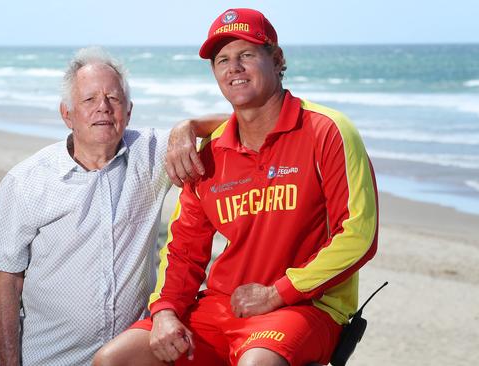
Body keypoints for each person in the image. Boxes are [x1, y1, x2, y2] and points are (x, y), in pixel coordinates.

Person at [94, 8, 379, 366]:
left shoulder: (328, 132)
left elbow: (358, 235)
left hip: (304, 306)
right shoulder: (210, 152)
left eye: (246, 55)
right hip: (222, 305)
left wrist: (278, 293)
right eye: (223, 60)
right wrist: (166, 311)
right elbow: (184, 250)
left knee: (256, 363)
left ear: (276, 59)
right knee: (114, 360)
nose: (234, 68)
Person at [0, 47, 223, 365]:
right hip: (50, 360)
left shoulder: (151, 153)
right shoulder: (24, 182)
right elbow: (7, 285)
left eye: (113, 99)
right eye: (89, 100)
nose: (103, 108)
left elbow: (244, 123)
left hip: (130, 359)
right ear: (67, 114)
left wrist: (189, 126)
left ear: (129, 110)